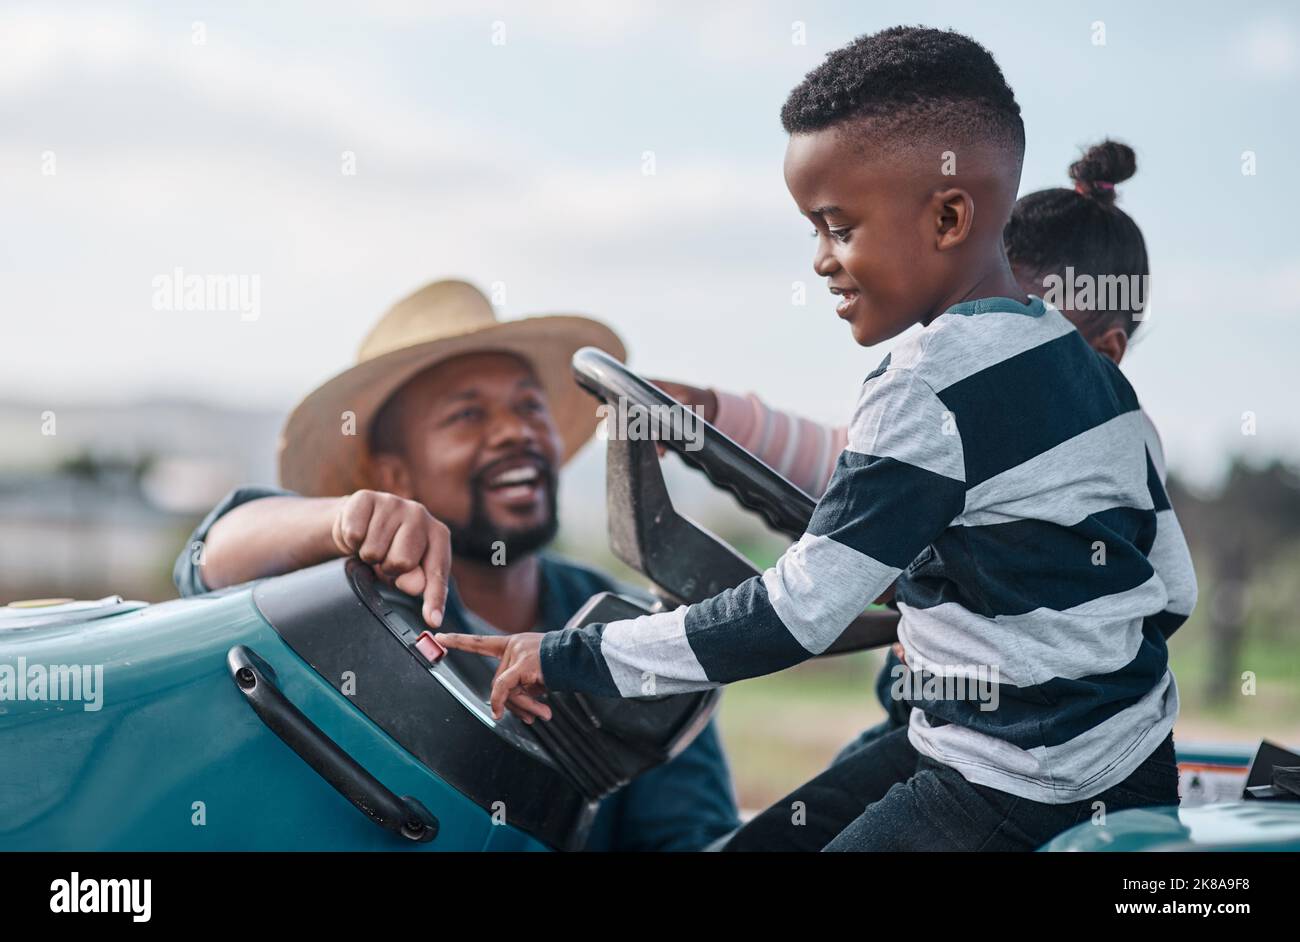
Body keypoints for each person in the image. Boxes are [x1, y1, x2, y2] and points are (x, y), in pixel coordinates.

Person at [436, 27, 1198, 851]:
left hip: (1021, 780)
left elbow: (795, 614)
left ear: (947, 217)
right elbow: (1172, 587)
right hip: (1111, 759)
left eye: (837, 227)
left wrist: (574, 655)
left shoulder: (922, 386)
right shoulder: (1093, 377)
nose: (822, 263)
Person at [173, 279, 740, 852]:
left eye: (529, 406)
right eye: (468, 415)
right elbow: (206, 562)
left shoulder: (635, 628)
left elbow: (689, 836)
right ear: (394, 475)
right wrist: (343, 520)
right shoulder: (354, 611)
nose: (516, 431)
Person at [654, 138, 1162, 766]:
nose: (994, 335)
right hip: (925, 718)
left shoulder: (1107, 455)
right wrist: (710, 412)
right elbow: (841, 463)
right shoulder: (957, 409)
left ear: (1100, 350)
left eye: (1030, 323)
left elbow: (1154, 598)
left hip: (1008, 743)